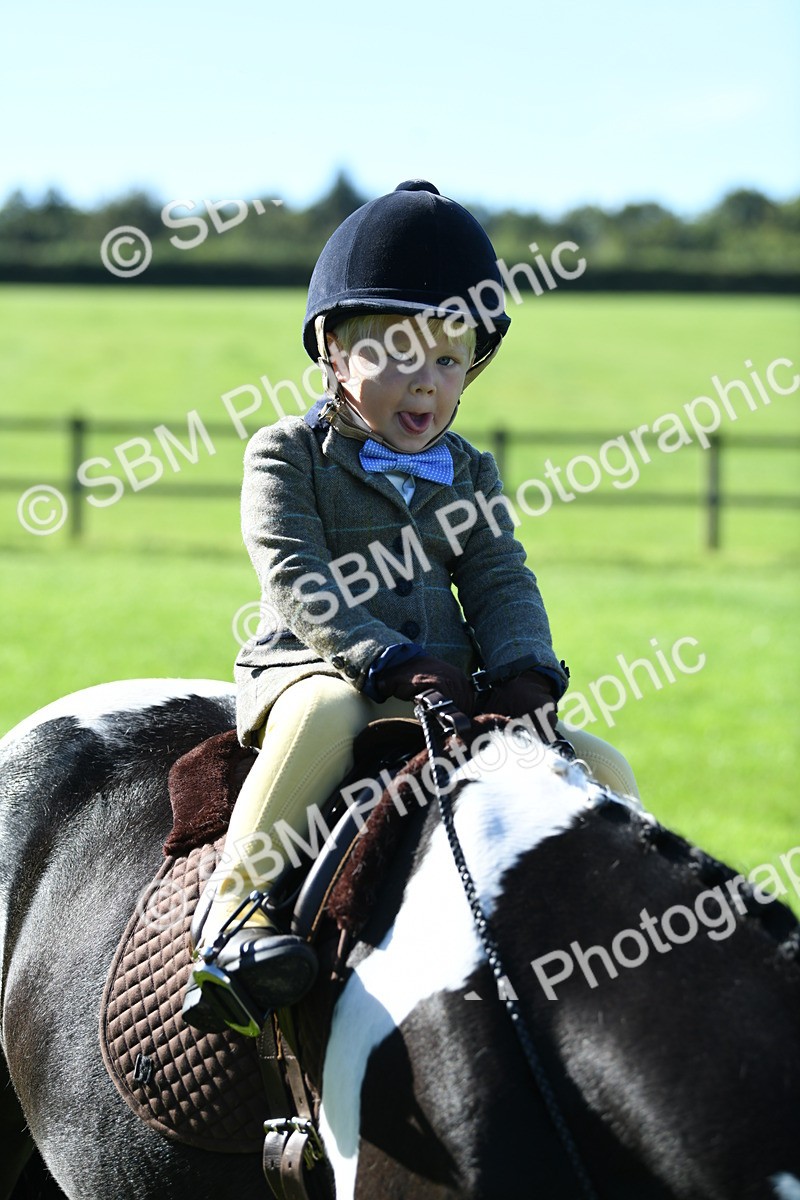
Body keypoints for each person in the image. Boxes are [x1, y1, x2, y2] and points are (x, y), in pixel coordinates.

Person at [182, 180, 638, 1036]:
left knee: (603, 764)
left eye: (447, 359)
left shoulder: (469, 469)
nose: (424, 384)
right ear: (332, 353)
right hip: (319, 661)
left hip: (449, 684)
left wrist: (524, 669)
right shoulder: (287, 453)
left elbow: (501, 574)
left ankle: (624, 941)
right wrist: (386, 658)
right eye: (394, 357)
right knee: (328, 713)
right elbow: (293, 571)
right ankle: (232, 919)